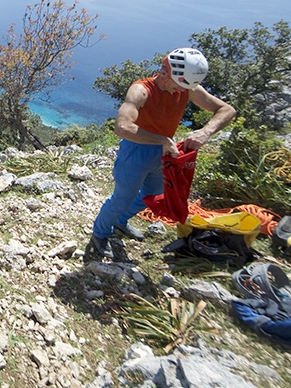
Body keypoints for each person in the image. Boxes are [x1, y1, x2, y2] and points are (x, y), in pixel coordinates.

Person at [85, 47, 236, 262]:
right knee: (121, 198)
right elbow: (122, 127)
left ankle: (121, 221)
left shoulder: (186, 89)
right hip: (136, 150)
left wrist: (205, 132)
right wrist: (163, 140)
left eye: (185, 87)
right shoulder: (141, 91)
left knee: (152, 196)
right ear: (165, 73)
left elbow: (226, 110)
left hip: (164, 152)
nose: (179, 91)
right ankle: (100, 234)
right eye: (178, 85)